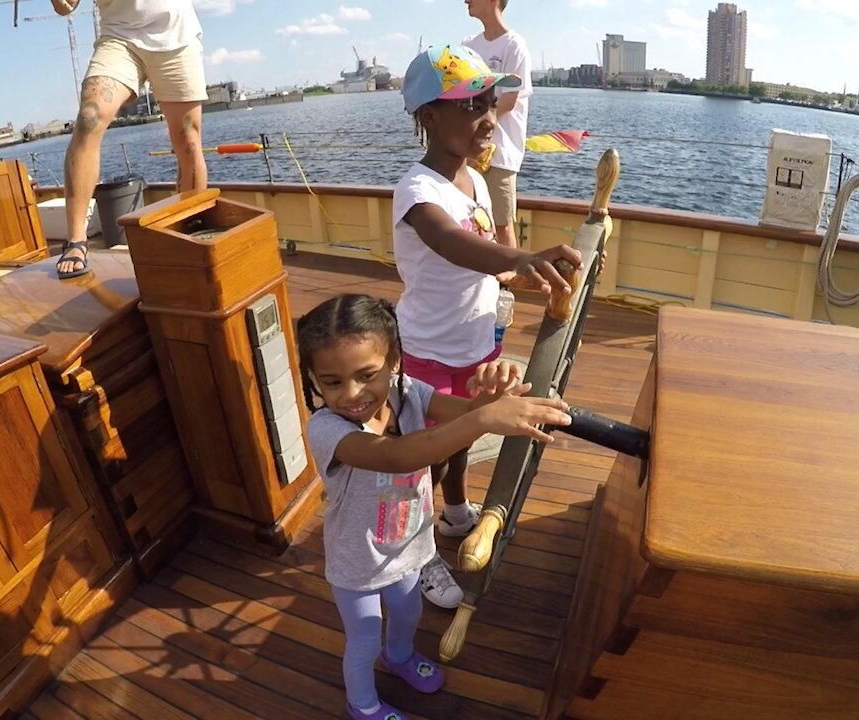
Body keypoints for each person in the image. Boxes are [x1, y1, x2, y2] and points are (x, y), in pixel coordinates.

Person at [298, 293, 571, 720]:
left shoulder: (409, 392)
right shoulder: (328, 427)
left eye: (367, 375)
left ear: (394, 362)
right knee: (364, 638)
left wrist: (491, 394)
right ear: (314, 379)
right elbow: (398, 456)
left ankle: (400, 656)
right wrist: (483, 419)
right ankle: (363, 704)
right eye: (332, 382)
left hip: (410, 548)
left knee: (409, 614)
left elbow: (463, 412)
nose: (351, 393)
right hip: (358, 562)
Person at [395, 44, 584, 609]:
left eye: (490, 100)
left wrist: (524, 276)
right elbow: (456, 244)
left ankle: (455, 514)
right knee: (425, 458)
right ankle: (421, 552)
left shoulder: (473, 183)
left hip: (475, 341)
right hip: (429, 353)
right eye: (471, 104)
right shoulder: (417, 192)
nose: (489, 116)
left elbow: (492, 262)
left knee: (466, 436)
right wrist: (520, 259)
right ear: (428, 116)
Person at [50, 0, 209, 279]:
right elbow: (65, 6)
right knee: (89, 118)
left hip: (176, 35)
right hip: (119, 38)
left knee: (188, 139)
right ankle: (76, 241)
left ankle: (190, 228)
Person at [464, 0, 532, 251]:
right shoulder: (469, 46)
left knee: (502, 225)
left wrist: (473, 126)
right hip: (469, 151)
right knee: (470, 219)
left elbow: (509, 101)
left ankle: (507, 283)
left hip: (500, 153)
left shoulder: (514, 46)